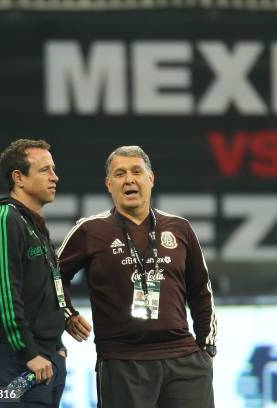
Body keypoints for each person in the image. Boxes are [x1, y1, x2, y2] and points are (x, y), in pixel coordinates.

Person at [58, 145, 217, 408]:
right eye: (120, 174)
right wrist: (67, 314)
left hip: (184, 360)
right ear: (109, 184)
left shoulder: (180, 228)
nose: (129, 179)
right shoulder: (89, 230)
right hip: (123, 360)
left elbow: (201, 291)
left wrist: (207, 347)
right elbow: (53, 277)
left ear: (151, 179)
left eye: (136, 172)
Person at [0, 139, 67, 407]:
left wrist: (57, 345)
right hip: (19, 357)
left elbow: (45, 288)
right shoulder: (6, 220)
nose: (55, 177)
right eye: (45, 170)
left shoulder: (31, 222)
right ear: (18, 178)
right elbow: (4, 292)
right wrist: (28, 352)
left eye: (54, 169)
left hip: (45, 354)